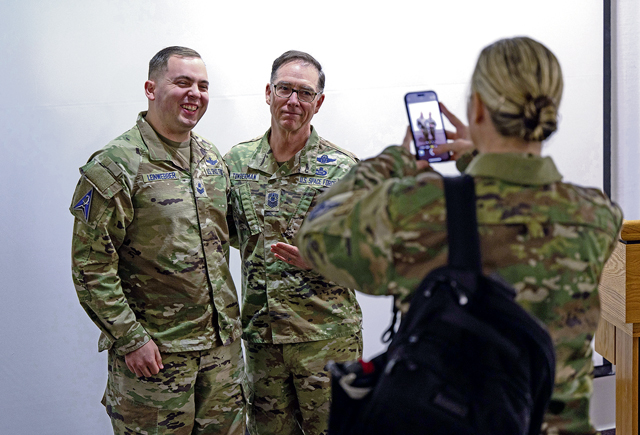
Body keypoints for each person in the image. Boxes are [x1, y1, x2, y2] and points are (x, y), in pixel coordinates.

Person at [296, 37, 623, 435]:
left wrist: (396, 160)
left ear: (478, 107)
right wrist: (480, 154)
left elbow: (317, 234)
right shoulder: (597, 214)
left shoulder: (420, 208)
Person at [70, 46, 245, 435]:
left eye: (202, 86)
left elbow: (232, 233)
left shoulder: (211, 158)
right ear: (151, 88)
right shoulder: (116, 164)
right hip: (157, 360)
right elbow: (90, 266)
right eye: (182, 82)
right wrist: (130, 339)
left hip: (221, 357)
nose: (194, 94)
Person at [224, 50, 363, 435]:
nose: (293, 101)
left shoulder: (343, 169)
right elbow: (224, 234)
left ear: (318, 102)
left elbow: (376, 254)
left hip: (327, 341)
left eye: (305, 93)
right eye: (284, 89)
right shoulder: (236, 163)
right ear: (268, 93)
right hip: (262, 341)